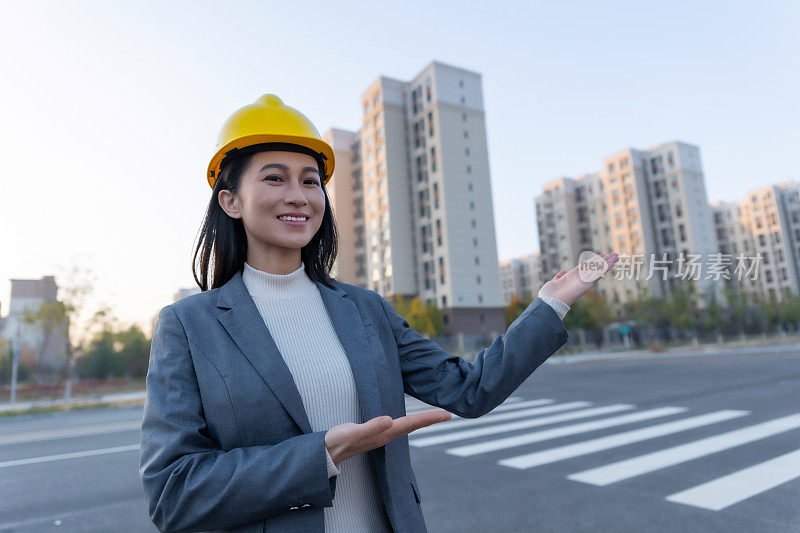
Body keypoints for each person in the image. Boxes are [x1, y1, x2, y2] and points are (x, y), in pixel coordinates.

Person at [138, 94, 619, 533]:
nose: (298, 195)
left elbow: (471, 390)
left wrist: (553, 301)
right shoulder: (189, 325)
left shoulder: (364, 309)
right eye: (274, 178)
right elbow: (173, 494)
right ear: (231, 200)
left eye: (311, 181)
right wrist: (323, 454)